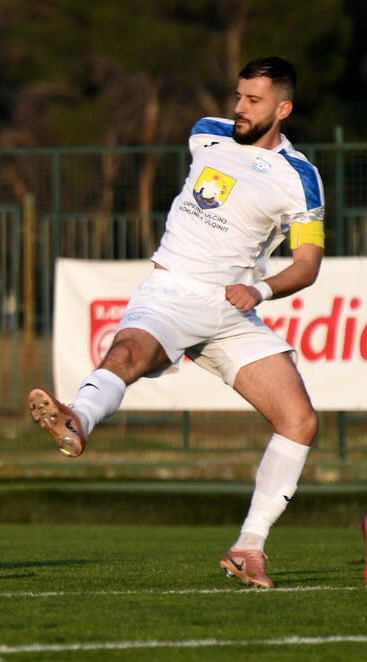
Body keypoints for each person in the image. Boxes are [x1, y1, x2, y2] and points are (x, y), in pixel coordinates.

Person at [28, 57, 324, 589]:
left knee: (299, 421)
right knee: (127, 352)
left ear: (283, 109)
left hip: (233, 310)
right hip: (172, 290)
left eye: (253, 101)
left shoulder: (298, 177)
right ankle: (77, 420)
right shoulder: (206, 135)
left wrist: (259, 289)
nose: (238, 108)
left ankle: (247, 549)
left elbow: (307, 266)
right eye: (238, 96)